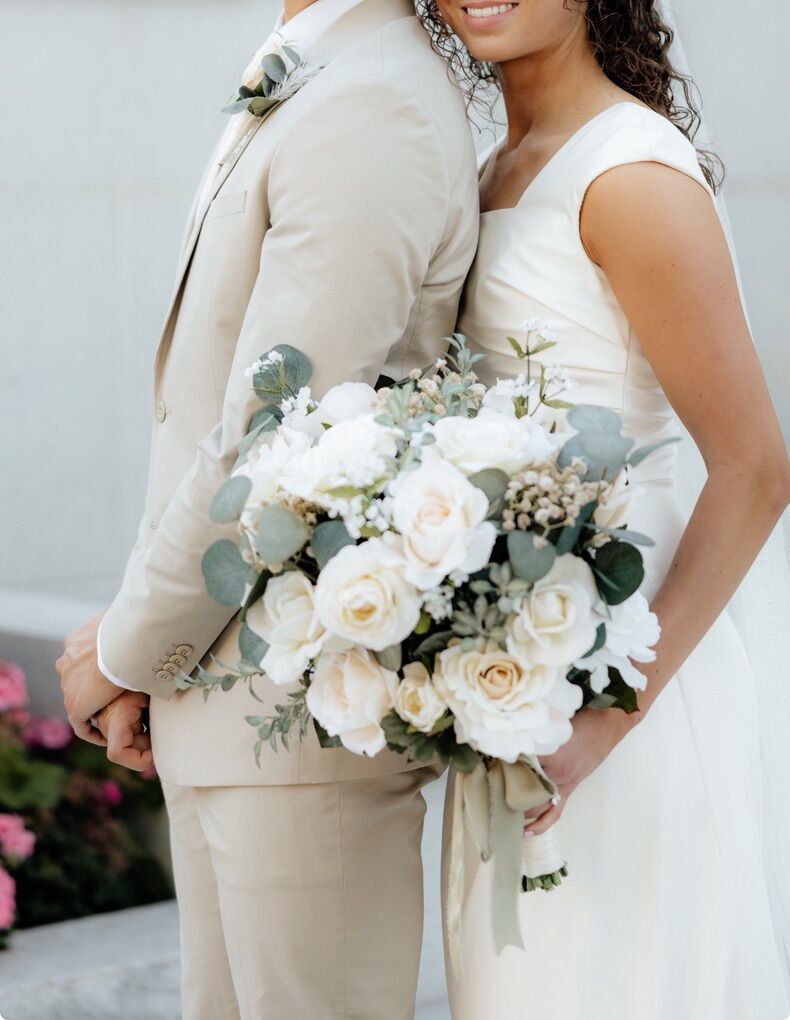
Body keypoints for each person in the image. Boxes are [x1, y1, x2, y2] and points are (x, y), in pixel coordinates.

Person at [56, 1, 479, 1016]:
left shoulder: (376, 100)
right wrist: (145, 652)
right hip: (225, 696)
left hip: (296, 729)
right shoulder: (323, 63)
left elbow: (276, 437)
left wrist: (123, 649)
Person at [417, 0, 790, 1016]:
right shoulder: (496, 164)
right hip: (517, 697)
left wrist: (603, 723)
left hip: (627, 700)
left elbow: (754, 468)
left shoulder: (627, 177)